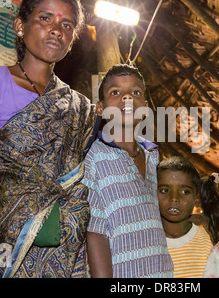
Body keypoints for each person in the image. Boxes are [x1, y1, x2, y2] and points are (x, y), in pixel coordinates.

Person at [0, 0, 96, 278]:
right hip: (0, 254)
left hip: (64, 259)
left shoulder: (79, 106)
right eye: (45, 18)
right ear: (20, 25)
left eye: (66, 24)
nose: (56, 29)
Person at [82, 64, 173, 278]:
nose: (126, 98)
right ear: (100, 108)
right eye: (115, 92)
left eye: (135, 92)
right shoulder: (93, 156)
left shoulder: (153, 155)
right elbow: (95, 233)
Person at [157, 156, 213, 278]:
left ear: (197, 198)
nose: (174, 199)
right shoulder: (140, 242)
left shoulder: (211, 243)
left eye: (185, 192)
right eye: (165, 190)